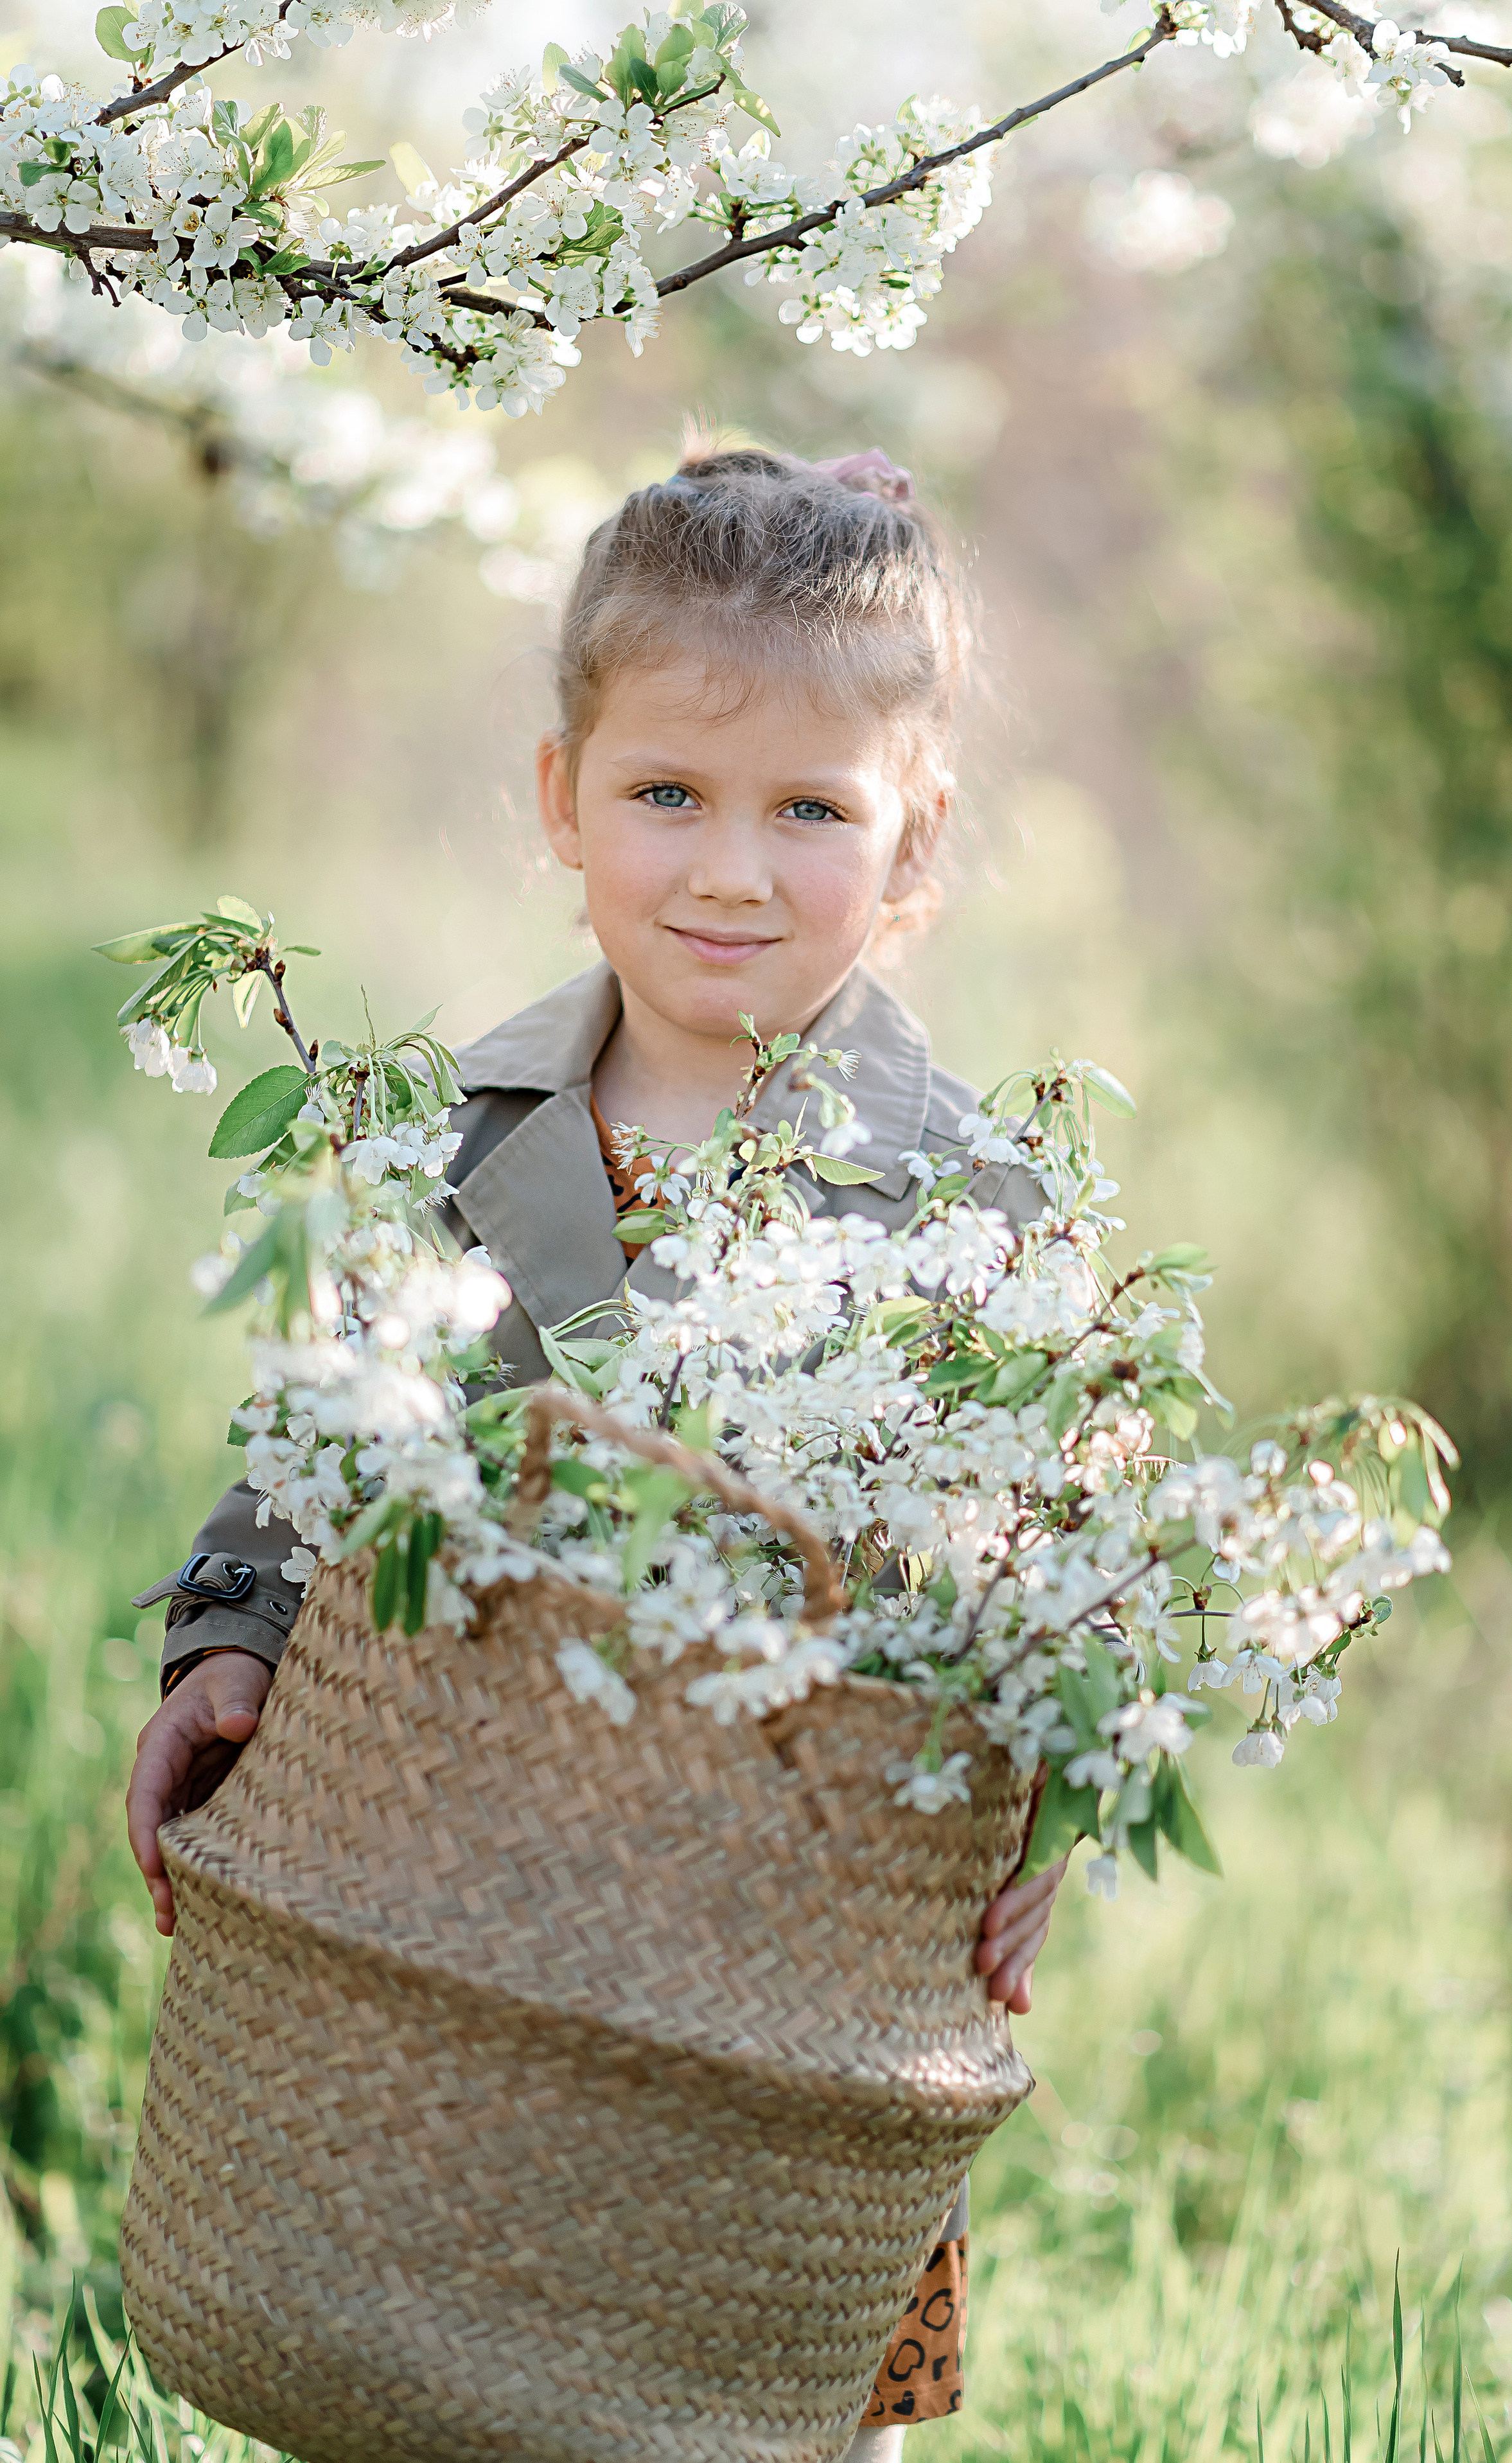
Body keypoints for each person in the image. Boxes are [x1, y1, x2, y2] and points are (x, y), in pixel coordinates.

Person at [125, 438, 1071, 2460]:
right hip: (477, 1905)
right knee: (435, 2355)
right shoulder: (464, 1140)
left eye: (809, 810)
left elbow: (1039, 1576)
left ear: (914, 844)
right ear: (563, 799)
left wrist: (1040, 1813)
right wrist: (234, 1637)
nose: (730, 869)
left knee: (773, 2394)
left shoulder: (972, 1206)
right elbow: (329, 1429)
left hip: (799, 1951)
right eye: (669, 793)